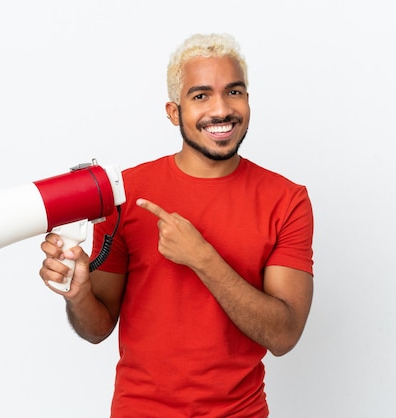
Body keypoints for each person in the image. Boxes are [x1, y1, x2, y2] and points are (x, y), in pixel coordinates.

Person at [39, 33, 314, 417]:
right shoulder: (125, 193)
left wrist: (203, 258)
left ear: (247, 100)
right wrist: (79, 294)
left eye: (234, 92)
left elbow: (283, 335)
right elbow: (97, 328)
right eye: (200, 96)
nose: (221, 110)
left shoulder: (286, 200)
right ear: (173, 112)